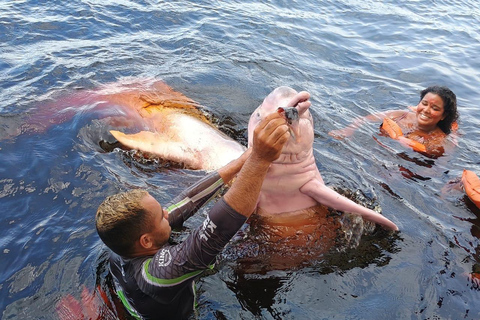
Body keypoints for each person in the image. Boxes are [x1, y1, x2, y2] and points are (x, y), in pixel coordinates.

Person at [95, 112, 290, 319]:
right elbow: (218, 228)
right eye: (160, 216)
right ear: (146, 241)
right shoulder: (159, 276)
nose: (166, 213)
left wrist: (242, 161)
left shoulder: (121, 243)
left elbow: (186, 200)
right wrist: (260, 160)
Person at [329, 86, 459, 157]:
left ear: (443, 116)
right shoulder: (401, 115)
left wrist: (400, 139)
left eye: (434, 108)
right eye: (424, 104)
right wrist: (348, 130)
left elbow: (430, 153)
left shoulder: (438, 138)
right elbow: (366, 119)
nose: (426, 110)